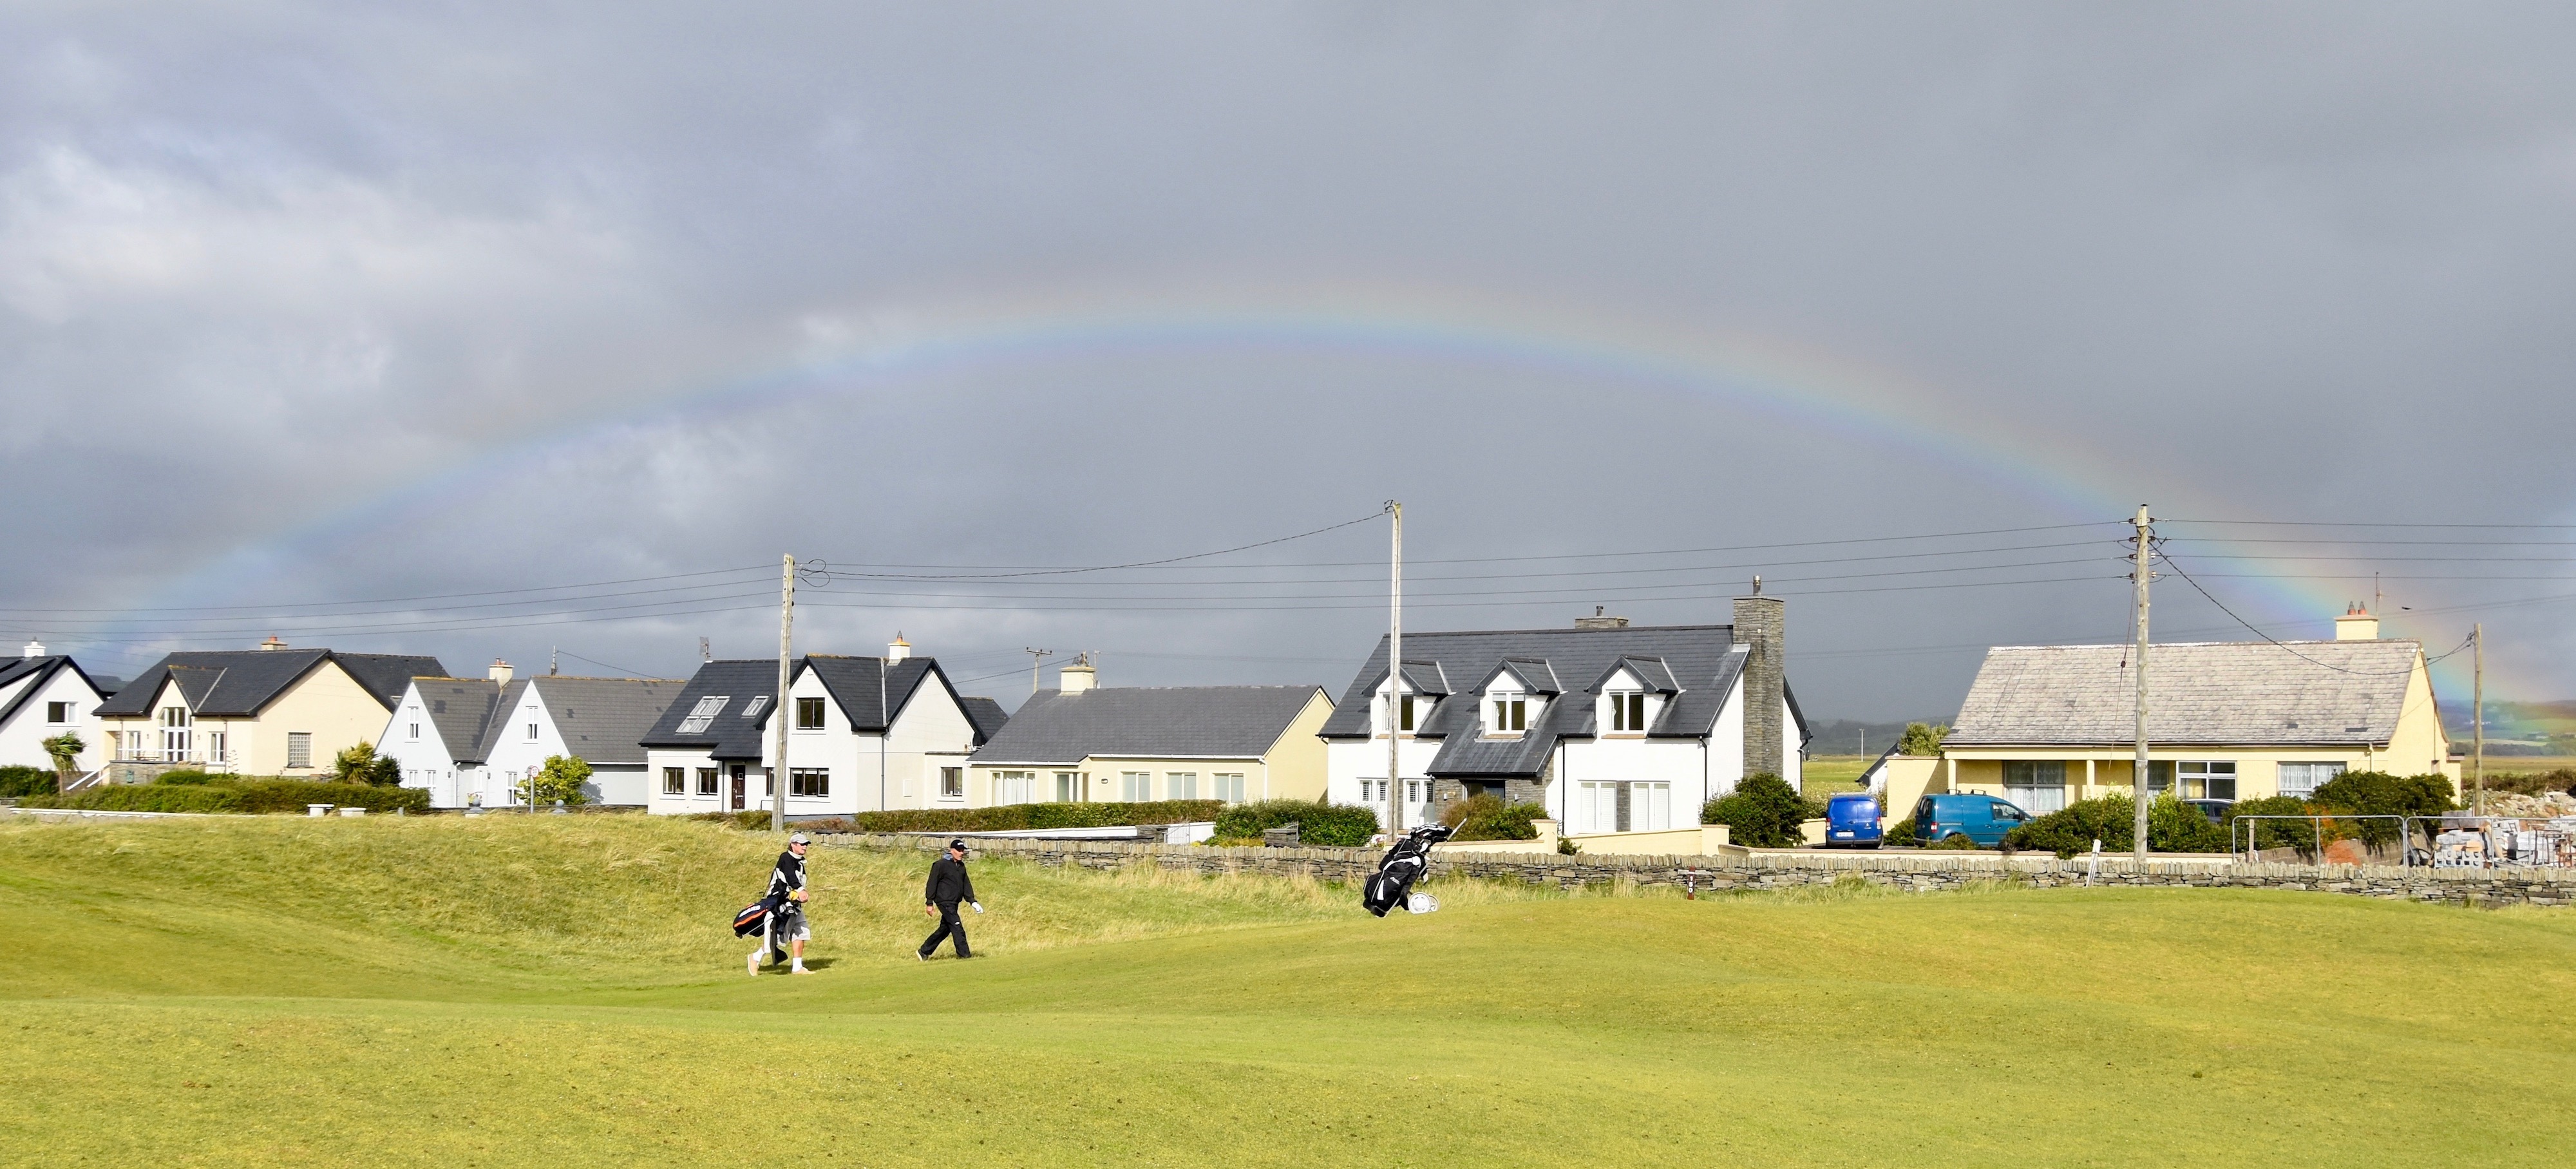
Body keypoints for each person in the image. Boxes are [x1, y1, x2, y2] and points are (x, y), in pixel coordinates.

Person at [750, 832, 815, 976]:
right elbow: (790, 877)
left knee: (801, 931)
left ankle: (797, 967)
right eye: (802, 844)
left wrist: (799, 894)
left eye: (806, 844)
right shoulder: (786, 858)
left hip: (793, 904)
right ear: (793, 845)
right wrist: (800, 890)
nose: (805, 847)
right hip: (780, 903)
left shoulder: (800, 863)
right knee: (777, 937)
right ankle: (755, 958)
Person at [917, 838, 983, 960]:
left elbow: (966, 885)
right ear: (951, 850)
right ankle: (965, 955)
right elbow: (932, 883)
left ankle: (924, 951)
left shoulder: (961, 867)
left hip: (954, 902)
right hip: (944, 902)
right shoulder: (940, 865)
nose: (961, 853)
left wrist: (973, 901)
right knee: (957, 926)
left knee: (945, 929)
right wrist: (929, 903)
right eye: (958, 850)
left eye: (963, 850)